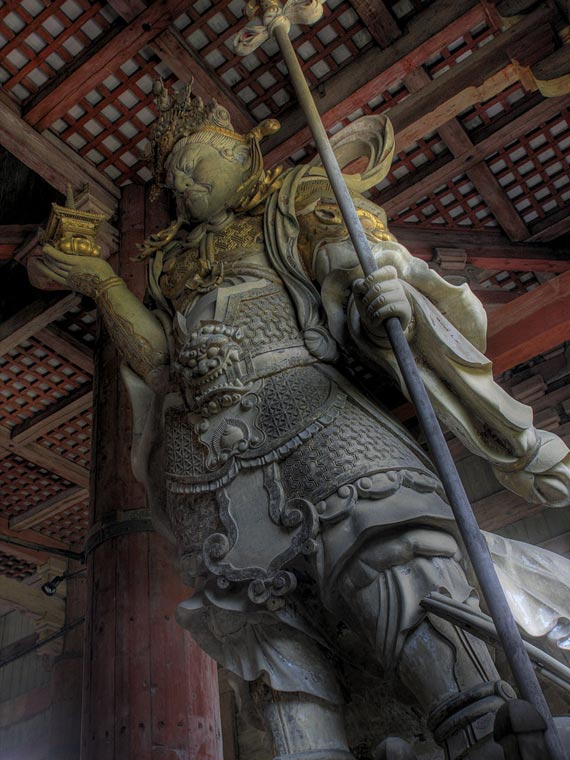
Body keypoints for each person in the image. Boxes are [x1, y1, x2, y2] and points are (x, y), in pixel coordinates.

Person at [30, 81, 570, 759]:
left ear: (245, 156)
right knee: (263, 629)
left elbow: (376, 274)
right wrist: (99, 282)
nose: (185, 181)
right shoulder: (169, 266)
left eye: (199, 162)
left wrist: (388, 286)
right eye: (175, 178)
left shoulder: (294, 203)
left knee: (390, 554)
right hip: (207, 466)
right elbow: (158, 360)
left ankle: (475, 721)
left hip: (314, 415)